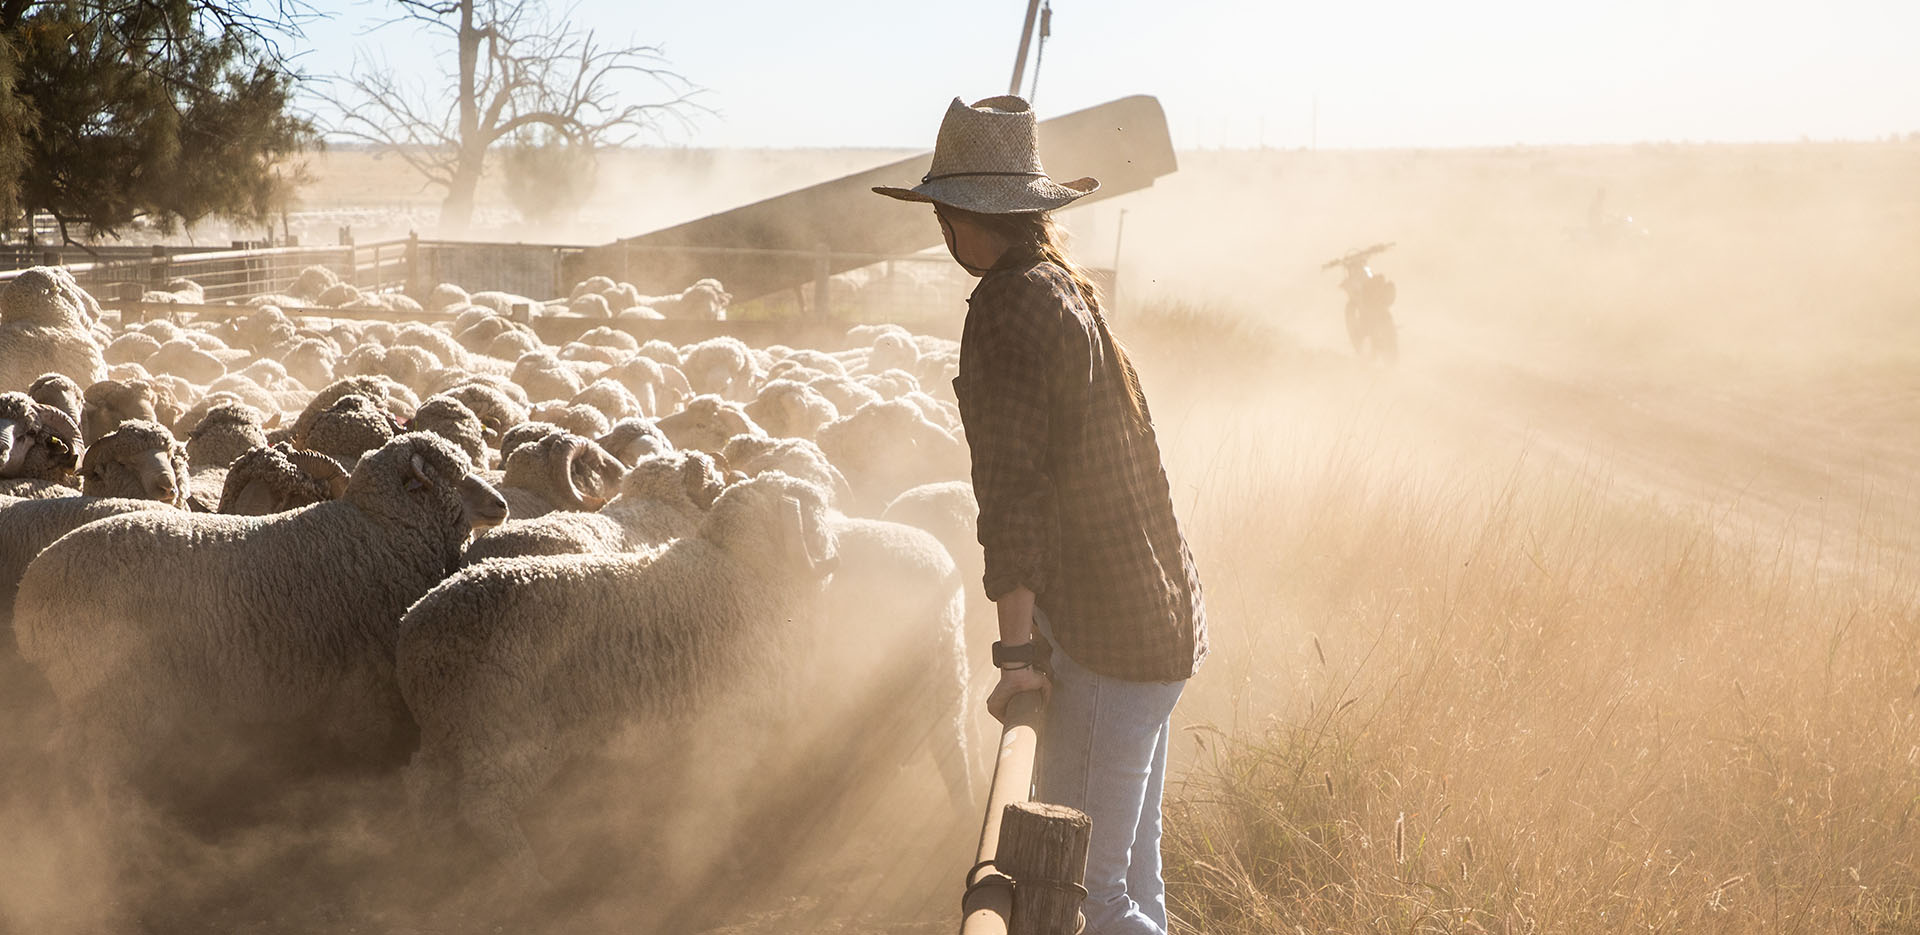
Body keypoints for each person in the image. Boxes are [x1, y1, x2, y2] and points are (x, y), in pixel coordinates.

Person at [874, 95, 1207, 935]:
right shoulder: (1061, 287)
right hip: (1158, 619)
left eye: (943, 215)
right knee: (1133, 877)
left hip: (1106, 637)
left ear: (962, 219)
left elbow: (1013, 497)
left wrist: (1018, 654)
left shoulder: (1005, 308)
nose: (942, 233)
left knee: (1085, 900)